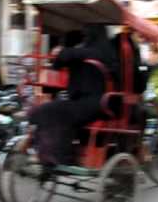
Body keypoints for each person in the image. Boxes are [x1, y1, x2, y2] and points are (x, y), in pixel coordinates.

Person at [26, 24, 120, 166]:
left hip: (95, 104)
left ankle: (59, 157)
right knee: (50, 109)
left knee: (53, 111)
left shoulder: (94, 52)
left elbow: (63, 59)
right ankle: (48, 154)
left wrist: (64, 54)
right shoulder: (103, 52)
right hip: (94, 103)